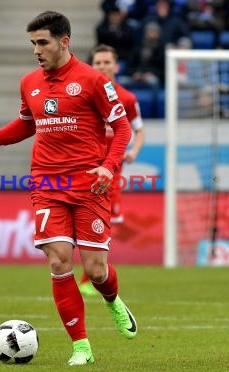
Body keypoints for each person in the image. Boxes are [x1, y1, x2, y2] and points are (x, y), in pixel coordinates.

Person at [0, 11, 137, 365]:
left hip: (89, 184)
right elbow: (27, 124)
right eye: (33, 44)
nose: (36, 50)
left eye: (42, 42)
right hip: (47, 182)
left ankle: (113, 300)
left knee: (96, 270)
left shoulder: (92, 81)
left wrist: (108, 165)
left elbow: (123, 130)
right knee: (59, 261)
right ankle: (82, 347)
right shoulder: (29, 82)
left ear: (64, 41)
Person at [78, 44, 146, 297]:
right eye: (98, 63)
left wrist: (133, 152)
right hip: (84, 168)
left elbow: (139, 131)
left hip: (112, 172)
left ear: (116, 66)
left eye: (107, 62)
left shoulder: (127, 99)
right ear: (91, 66)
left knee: (103, 224)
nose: (103, 67)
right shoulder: (84, 94)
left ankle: (90, 276)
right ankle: (90, 276)